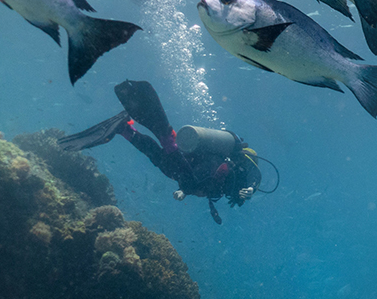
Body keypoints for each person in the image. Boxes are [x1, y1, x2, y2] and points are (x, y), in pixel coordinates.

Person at [60, 80, 263, 223]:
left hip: (191, 172)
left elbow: (205, 185)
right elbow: (250, 175)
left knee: (163, 162)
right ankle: (163, 131)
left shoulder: (229, 189)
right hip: (198, 167)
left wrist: (187, 190)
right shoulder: (245, 170)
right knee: (172, 157)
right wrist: (252, 188)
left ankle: (125, 129)